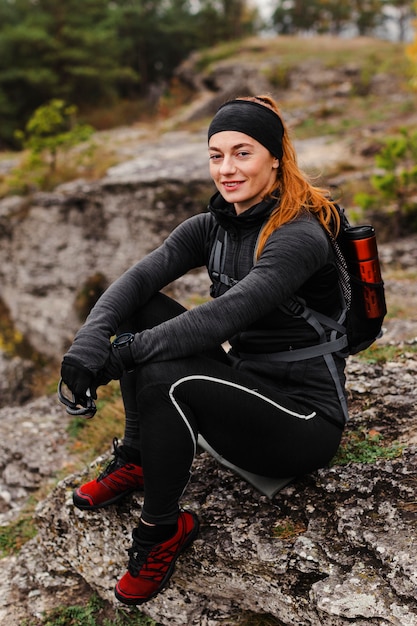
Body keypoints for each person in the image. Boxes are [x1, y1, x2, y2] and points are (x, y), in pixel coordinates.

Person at [60, 95, 348, 606]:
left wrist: (118, 357)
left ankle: (161, 531)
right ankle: (140, 457)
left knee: (164, 370)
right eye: (216, 155)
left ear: (276, 158)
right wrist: (87, 347)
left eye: (243, 153)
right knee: (139, 307)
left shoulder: (300, 234)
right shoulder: (211, 227)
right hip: (242, 383)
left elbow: (221, 317)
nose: (227, 169)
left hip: (302, 423)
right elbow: (138, 279)